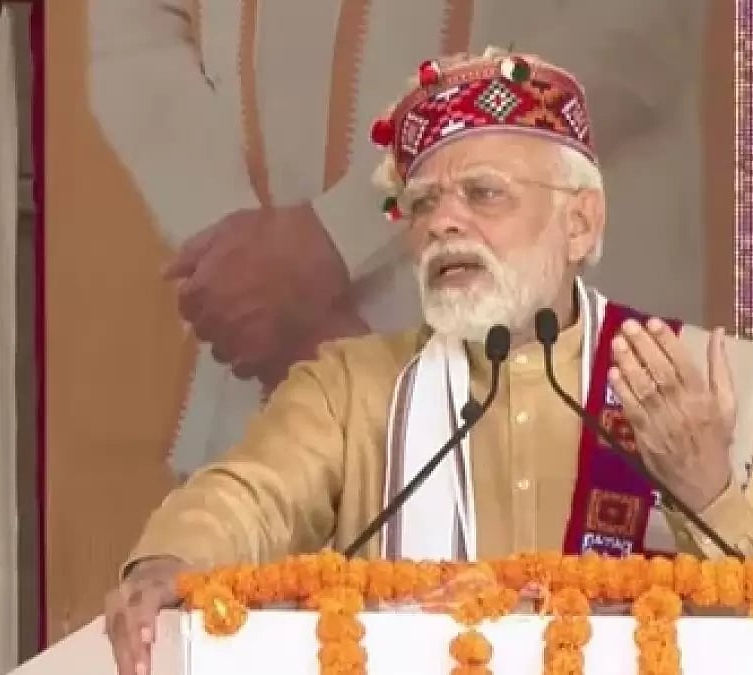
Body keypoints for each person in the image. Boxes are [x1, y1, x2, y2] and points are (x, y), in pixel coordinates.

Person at [102, 50, 753, 674]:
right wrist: (175, 561)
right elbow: (246, 498)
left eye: (484, 194)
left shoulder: (694, 377)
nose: (443, 222)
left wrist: (707, 491)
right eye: (423, 202)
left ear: (581, 223)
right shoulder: (351, 388)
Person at [87, 0, 713, 477]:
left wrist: (333, 239)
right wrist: (245, 259)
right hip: (269, 367)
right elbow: (132, 32)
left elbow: (635, 29)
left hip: (535, 371)